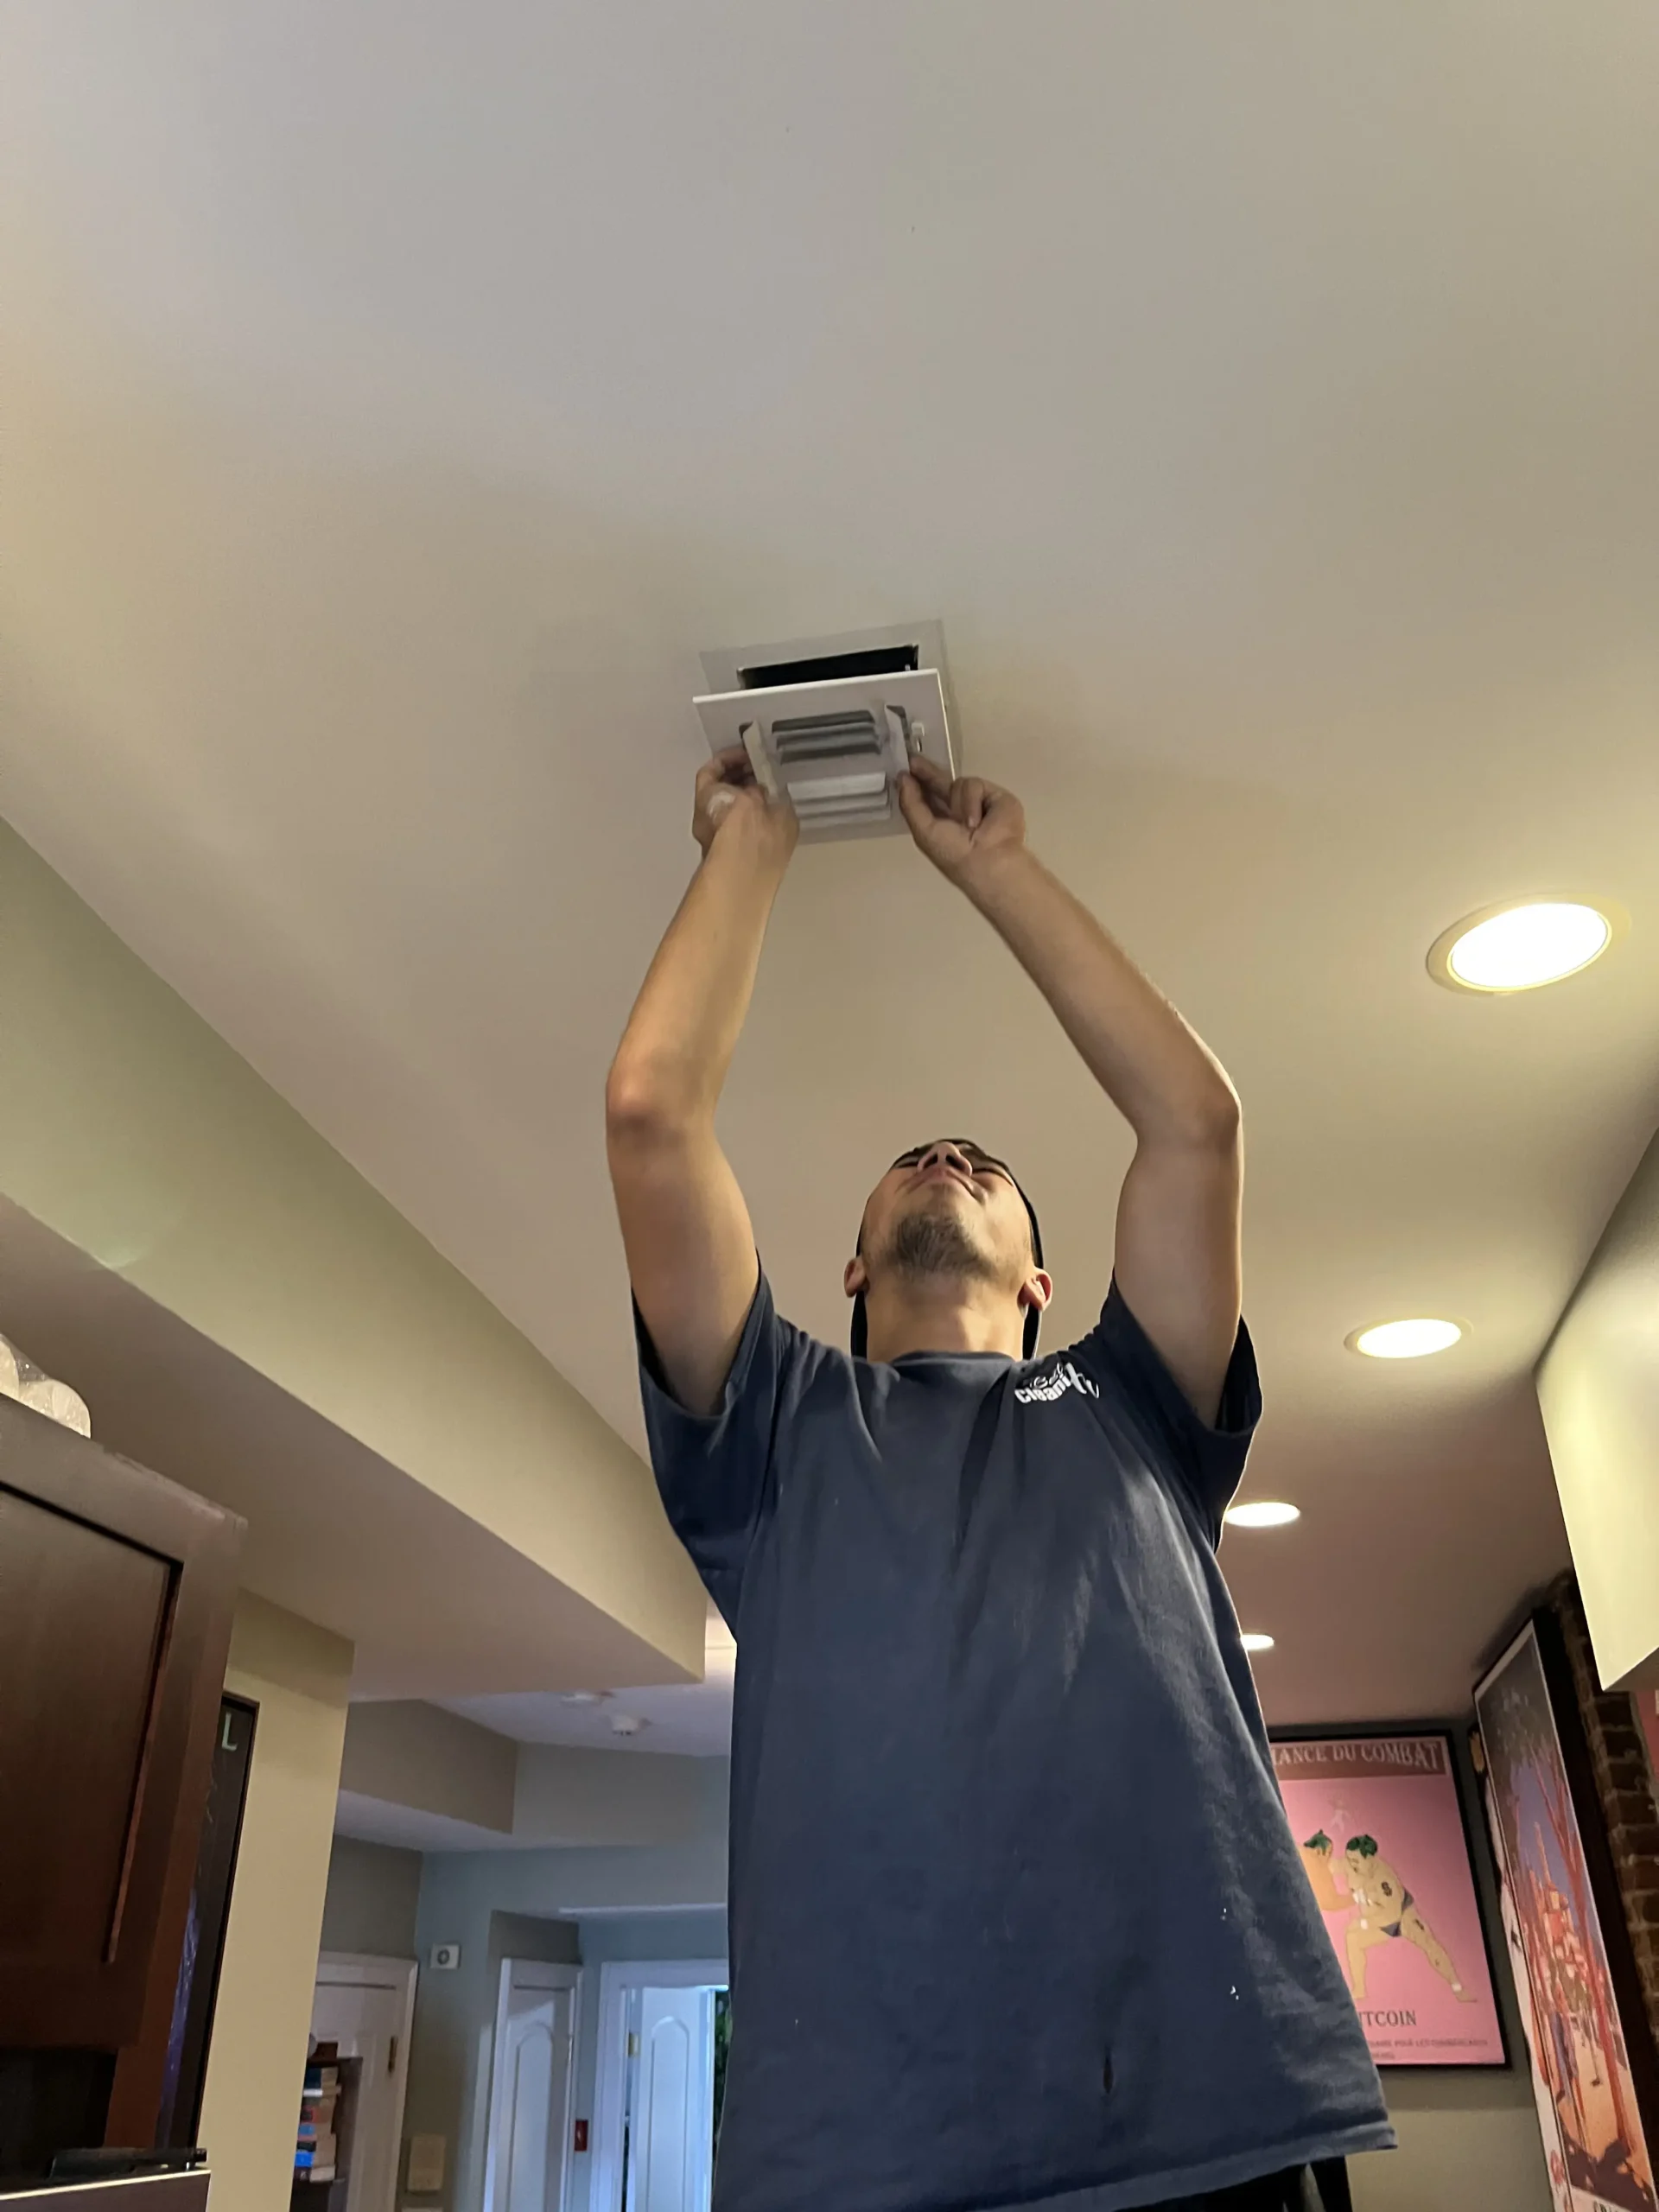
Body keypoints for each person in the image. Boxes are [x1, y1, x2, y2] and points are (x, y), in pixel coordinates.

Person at [605, 747, 1394, 2212]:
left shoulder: (1132, 1398)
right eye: (914, 1159)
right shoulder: (774, 1426)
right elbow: (653, 1111)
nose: (949, 1156)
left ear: (1043, 1279)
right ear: (846, 1269)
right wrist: (751, 845)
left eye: (980, 1162)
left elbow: (1194, 1125)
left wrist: (996, 870)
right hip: (868, 2169)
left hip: (1205, 2132)